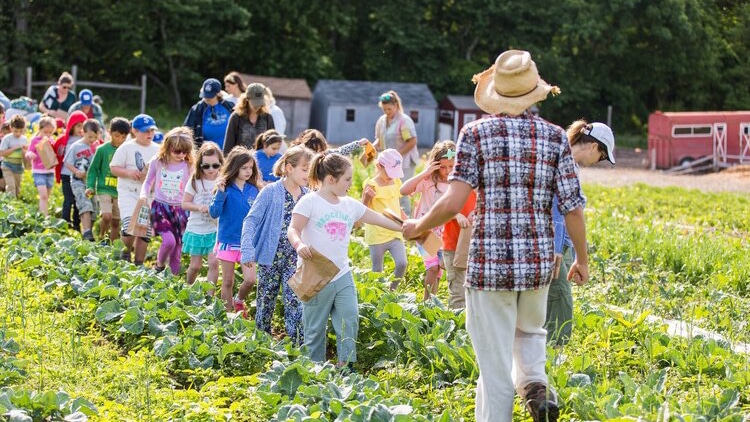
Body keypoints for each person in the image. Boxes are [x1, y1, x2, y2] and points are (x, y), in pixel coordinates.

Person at [402, 49, 588, 422]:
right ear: (535, 92)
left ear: (497, 95)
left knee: (494, 362)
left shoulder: (476, 133)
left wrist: (417, 227)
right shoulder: (555, 138)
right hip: (537, 262)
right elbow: (572, 207)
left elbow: (455, 201)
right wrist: (581, 259)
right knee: (531, 333)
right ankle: (536, 386)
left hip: (490, 265)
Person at [287, 152, 402, 369]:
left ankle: (345, 366)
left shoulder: (350, 205)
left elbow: (379, 220)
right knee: (314, 328)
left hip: (342, 273)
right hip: (315, 274)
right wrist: (299, 245)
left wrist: (407, 229)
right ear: (331, 179)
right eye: (347, 179)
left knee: (350, 319)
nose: (351, 184)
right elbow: (293, 229)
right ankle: (315, 370)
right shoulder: (309, 201)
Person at [546, 120, 615, 346]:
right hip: (552, 246)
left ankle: (547, 354)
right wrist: (559, 253)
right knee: (560, 301)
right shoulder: (562, 163)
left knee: (553, 300)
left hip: (561, 244)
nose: (598, 162)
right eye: (602, 157)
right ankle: (553, 356)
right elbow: (560, 212)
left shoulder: (568, 163)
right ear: (594, 147)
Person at [241, 145, 313, 344]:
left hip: (295, 257)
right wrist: (247, 250)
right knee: (266, 301)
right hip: (269, 257)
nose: (309, 174)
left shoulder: (308, 196)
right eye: (305, 169)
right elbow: (251, 220)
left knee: (294, 301)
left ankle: (297, 345)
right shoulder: (270, 192)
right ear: (289, 168)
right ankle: (261, 343)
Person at [401, 140, 455, 301]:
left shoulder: (455, 183)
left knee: (440, 269)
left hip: (445, 232)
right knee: (432, 268)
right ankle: (426, 304)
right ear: (435, 164)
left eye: (451, 166)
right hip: (424, 230)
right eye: (443, 167)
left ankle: (432, 302)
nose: (446, 171)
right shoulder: (428, 181)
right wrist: (425, 172)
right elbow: (404, 190)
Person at [209, 146, 260, 314]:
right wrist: (220, 193)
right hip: (228, 241)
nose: (247, 171)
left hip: (247, 242)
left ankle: (238, 300)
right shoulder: (225, 189)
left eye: (250, 168)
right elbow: (214, 212)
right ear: (234, 167)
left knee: (251, 279)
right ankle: (227, 315)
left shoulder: (254, 190)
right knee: (228, 281)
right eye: (244, 168)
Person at [140, 127, 193, 275]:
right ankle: (159, 265)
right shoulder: (158, 162)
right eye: (177, 151)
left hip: (180, 210)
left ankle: (172, 282)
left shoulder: (188, 165)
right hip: (160, 208)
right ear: (168, 147)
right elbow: (148, 181)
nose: (181, 155)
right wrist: (144, 195)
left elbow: (192, 187)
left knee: (177, 252)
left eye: (185, 152)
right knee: (169, 241)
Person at [110, 114, 160, 265]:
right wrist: (128, 173)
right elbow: (113, 168)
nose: (149, 134)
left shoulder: (158, 149)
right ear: (135, 131)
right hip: (129, 193)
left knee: (144, 230)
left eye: (152, 130)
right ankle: (123, 256)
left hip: (148, 195)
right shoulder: (127, 147)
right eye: (145, 131)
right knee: (129, 226)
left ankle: (139, 263)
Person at [361, 148, 408, 291]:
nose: (391, 177)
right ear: (378, 166)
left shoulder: (396, 182)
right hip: (377, 233)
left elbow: (396, 206)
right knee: (377, 271)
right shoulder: (371, 185)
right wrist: (366, 198)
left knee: (402, 263)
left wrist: (406, 221)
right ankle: (379, 296)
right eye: (389, 173)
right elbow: (362, 210)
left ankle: (391, 291)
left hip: (395, 231)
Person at [182, 142, 223, 286]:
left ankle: (210, 297)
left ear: (221, 164)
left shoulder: (222, 182)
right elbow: (184, 203)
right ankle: (188, 288)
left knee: (213, 263)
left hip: (214, 229)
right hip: (196, 228)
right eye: (206, 166)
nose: (211, 169)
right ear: (200, 165)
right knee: (195, 266)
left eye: (215, 165)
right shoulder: (195, 181)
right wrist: (199, 207)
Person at [373, 90, 419, 214]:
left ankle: (406, 222)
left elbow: (412, 141)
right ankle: (389, 218)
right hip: (387, 163)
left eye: (389, 109)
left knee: (401, 191)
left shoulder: (404, 121)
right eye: (384, 109)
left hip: (404, 162)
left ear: (396, 106)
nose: (387, 112)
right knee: (387, 189)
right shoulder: (381, 121)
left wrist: (396, 155)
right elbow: (379, 138)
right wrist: (373, 146)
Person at [86, 117, 130, 243]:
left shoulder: (127, 151)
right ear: (109, 132)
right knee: (106, 216)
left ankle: (112, 244)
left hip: (120, 190)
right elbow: (93, 169)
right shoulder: (102, 150)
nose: (120, 140)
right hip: (103, 188)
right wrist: (90, 186)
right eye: (117, 136)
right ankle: (102, 239)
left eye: (123, 137)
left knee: (116, 221)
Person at [63, 119, 100, 241]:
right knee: (84, 203)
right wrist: (76, 171)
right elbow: (67, 162)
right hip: (77, 181)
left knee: (94, 208)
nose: (92, 139)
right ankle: (87, 232)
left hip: (91, 182)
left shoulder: (97, 147)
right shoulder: (76, 146)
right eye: (90, 136)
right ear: (82, 132)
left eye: (95, 137)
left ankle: (87, 231)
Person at [223, 83, 275, 155]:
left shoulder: (267, 118)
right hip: (240, 161)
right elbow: (228, 146)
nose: (257, 106)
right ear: (247, 99)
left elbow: (273, 144)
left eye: (259, 103)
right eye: (254, 103)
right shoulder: (236, 117)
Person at [183, 78, 234, 150]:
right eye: (205, 94)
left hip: (228, 152)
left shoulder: (230, 107)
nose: (206, 98)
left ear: (218, 93)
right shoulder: (197, 109)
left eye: (210, 95)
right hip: (205, 153)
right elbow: (186, 130)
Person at [25, 116, 58, 215]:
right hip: (38, 172)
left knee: (46, 196)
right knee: (43, 195)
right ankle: (44, 217)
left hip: (50, 172)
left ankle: (41, 212)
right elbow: (28, 153)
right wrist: (30, 155)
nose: (47, 135)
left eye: (50, 133)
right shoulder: (35, 141)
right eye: (45, 132)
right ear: (40, 130)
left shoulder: (51, 140)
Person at [0, 115, 29, 198]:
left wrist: (25, 151)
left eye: (21, 131)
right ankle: (10, 205)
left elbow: (25, 153)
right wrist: (15, 148)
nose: (18, 133)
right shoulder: (7, 139)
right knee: (11, 186)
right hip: (7, 165)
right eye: (16, 131)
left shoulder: (24, 139)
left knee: (17, 188)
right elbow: (2, 153)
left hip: (18, 166)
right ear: (11, 128)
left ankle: (15, 204)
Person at [291, 129, 367, 157]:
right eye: (314, 151)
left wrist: (358, 143)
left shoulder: (326, 154)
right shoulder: (299, 156)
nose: (318, 153)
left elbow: (341, 151)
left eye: (320, 150)